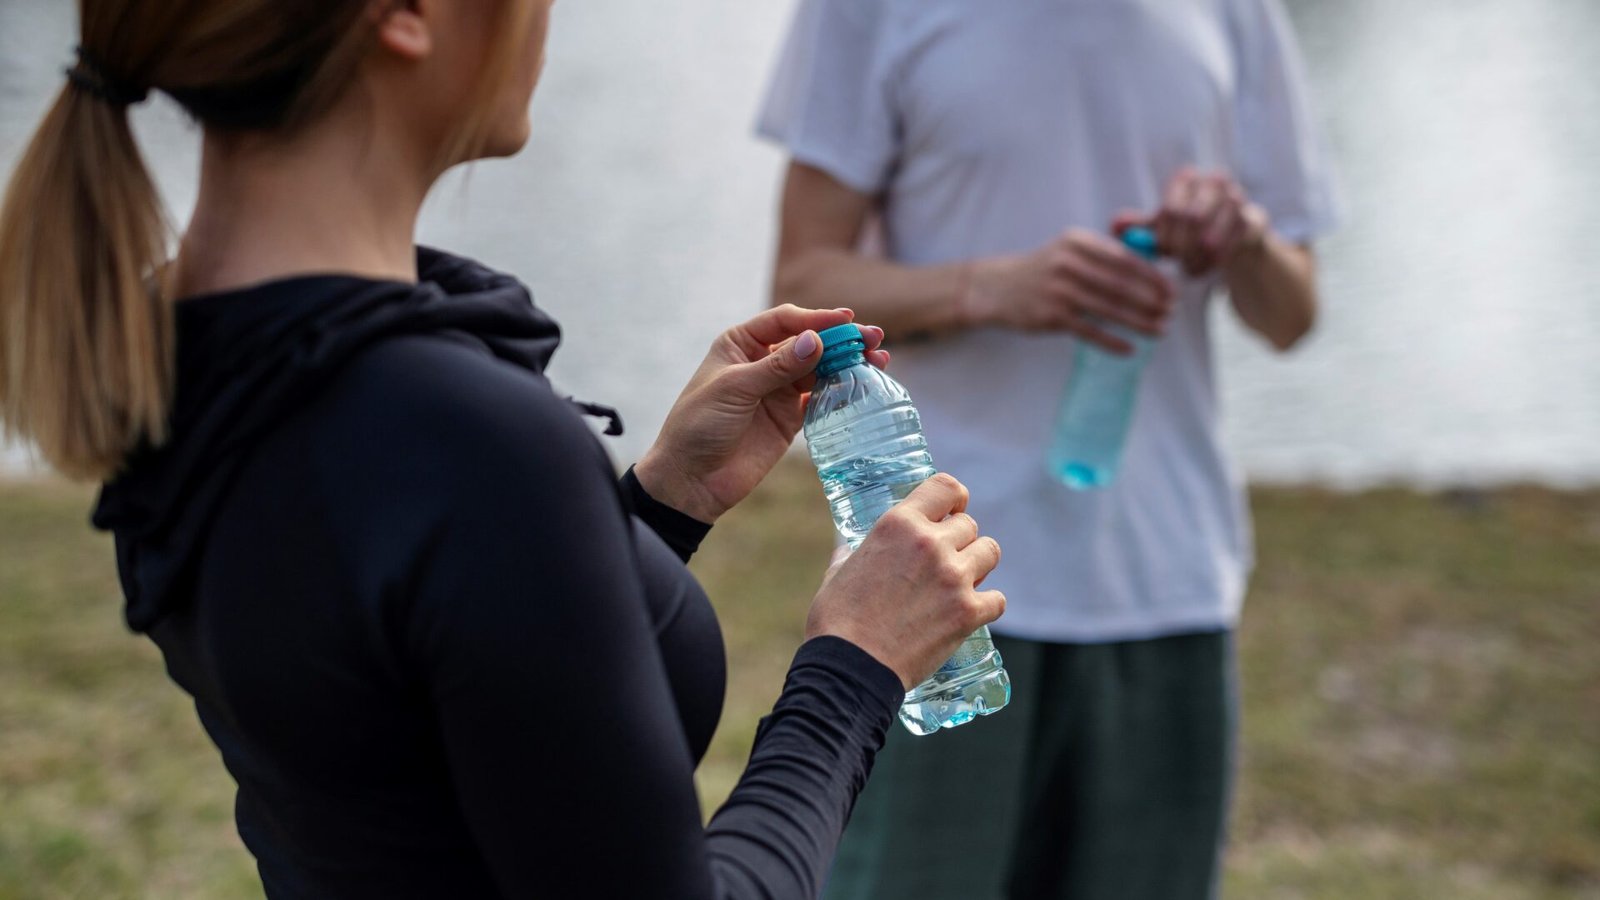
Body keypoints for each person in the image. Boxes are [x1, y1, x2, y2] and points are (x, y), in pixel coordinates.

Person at [0, 3, 1008, 898]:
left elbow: (413, 722)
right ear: (404, 15)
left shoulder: (188, 353)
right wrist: (855, 666)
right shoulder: (458, 435)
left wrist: (660, 507)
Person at [758, 0, 1340, 896]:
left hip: (1167, 586)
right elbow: (801, 281)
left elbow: (1292, 313)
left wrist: (1244, 239)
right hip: (930, 587)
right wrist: (990, 288)